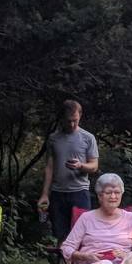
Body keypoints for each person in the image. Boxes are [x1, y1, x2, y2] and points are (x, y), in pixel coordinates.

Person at [37, 99, 100, 245]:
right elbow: (49, 167)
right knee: (61, 234)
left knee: (82, 234)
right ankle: (64, 260)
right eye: (68, 121)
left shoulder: (88, 138)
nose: (72, 124)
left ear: (80, 116)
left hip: (80, 192)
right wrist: (45, 194)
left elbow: (94, 166)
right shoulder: (53, 139)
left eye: (75, 120)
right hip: (58, 193)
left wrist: (80, 166)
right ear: (61, 119)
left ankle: (81, 260)